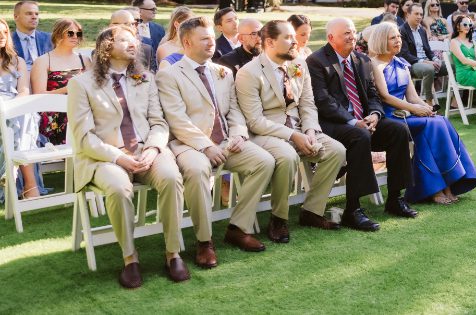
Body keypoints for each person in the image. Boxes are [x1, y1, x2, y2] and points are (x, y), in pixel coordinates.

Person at [67, 26, 190, 288]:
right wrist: (118, 157)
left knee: (170, 176)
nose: (133, 43)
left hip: (146, 150)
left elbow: (158, 123)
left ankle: (173, 253)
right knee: (119, 188)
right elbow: (84, 136)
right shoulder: (81, 84)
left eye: (133, 39)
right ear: (106, 47)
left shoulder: (145, 77)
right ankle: (130, 258)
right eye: (124, 40)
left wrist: (153, 148)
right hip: (103, 156)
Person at [157, 16, 276, 266]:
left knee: (264, 161)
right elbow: (177, 121)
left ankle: (238, 228)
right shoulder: (170, 75)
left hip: (226, 142)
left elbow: (234, 110)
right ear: (187, 42)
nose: (212, 43)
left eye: (212, 37)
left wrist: (238, 134)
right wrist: (206, 146)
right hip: (189, 144)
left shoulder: (222, 72)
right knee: (199, 170)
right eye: (205, 39)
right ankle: (204, 241)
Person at [235, 20, 345, 242]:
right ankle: (279, 218)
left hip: (300, 128)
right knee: (287, 156)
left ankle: (312, 212)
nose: (295, 41)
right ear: (269, 42)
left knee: (337, 150)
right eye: (287, 37)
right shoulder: (249, 73)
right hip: (265, 134)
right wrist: (294, 136)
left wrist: (311, 131)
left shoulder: (299, 65)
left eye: (294, 36)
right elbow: (255, 121)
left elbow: (307, 104)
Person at [306, 18, 417, 232]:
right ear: (331, 38)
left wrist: (375, 115)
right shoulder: (317, 61)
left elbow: (373, 95)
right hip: (333, 124)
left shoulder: (362, 60)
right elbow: (323, 101)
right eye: (346, 33)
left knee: (398, 130)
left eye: (354, 32)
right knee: (360, 136)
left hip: (363, 122)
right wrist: (353, 121)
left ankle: (395, 198)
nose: (352, 36)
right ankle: (353, 209)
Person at [366, 22, 476, 205]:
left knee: (440, 120)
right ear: (381, 40)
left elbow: (412, 96)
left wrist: (426, 107)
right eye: (393, 38)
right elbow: (385, 97)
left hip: (408, 112)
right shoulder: (374, 64)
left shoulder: (402, 63)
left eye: (399, 37)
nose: (398, 40)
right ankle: (434, 189)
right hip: (389, 117)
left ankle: (446, 184)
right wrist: (415, 109)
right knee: (430, 126)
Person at [30, 18, 91, 146]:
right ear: (58, 35)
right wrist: (67, 89)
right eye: (70, 33)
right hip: (55, 113)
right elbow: (38, 95)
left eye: (78, 33)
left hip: (81, 108)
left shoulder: (84, 60)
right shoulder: (44, 61)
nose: (75, 36)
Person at [0, 18, 41, 199]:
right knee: (19, 118)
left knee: (23, 116)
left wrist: (10, 108)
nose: (2, 36)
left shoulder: (18, 61)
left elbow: (24, 91)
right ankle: (29, 185)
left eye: (5, 32)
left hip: (15, 108)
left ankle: (18, 178)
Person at [399, 3, 439, 100]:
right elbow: (404, 55)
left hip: (426, 61)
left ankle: (456, 99)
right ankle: (430, 102)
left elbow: (428, 50)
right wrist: (425, 62)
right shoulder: (402, 30)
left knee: (451, 66)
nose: (419, 17)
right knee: (429, 69)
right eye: (416, 14)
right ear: (408, 15)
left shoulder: (422, 31)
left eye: (421, 14)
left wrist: (435, 59)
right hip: (412, 64)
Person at [11, 1, 52, 73]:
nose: (34, 17)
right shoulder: (7, 40)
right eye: (29, 13)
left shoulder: (49, 39)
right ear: (16, 17)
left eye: (36, 14)